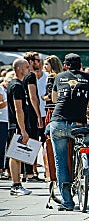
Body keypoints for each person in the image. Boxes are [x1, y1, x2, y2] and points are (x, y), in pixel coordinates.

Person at [48, 53, 89, 211]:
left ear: (65, 66)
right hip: (78, 124)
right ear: (81, 65)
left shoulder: (59, 77)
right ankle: (86, 172)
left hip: (57, 123)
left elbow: (55, 99)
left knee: (61, 162)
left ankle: (67, 202)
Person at [7, 59, 32, 195]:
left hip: (18, 125)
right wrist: (22, 130)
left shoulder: (19, 84)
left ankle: (17, 184)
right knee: (15, 155)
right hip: (16, 125)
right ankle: (15, 185)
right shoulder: (16, 86)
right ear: (18, 69)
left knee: (17, 155)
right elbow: (18, 109)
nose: (29, 69)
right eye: (26, 67)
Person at [22, 52, 43, 182]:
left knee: (26, 141)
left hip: (23, 111)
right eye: (36, 60)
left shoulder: (23, 76)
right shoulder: (30, 76)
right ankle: (30, 173)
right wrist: (39, 115)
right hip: (30, 112)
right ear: (30, 61)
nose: (38, 63)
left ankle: (27, 172)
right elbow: (33, 96)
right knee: (32, 141)